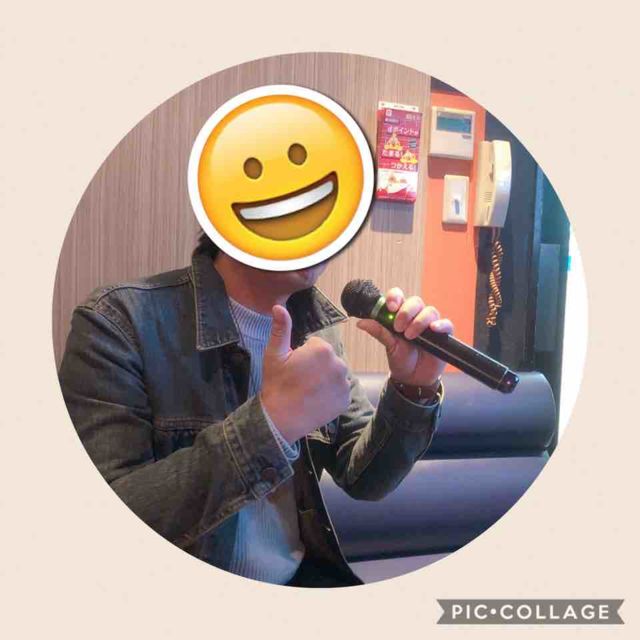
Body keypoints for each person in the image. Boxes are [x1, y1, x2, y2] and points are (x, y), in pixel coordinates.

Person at [58, 233, 454, 588]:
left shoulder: (318, 330)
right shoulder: (119, 321)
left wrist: (412, 388)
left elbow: (364, 478)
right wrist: (269, 424)